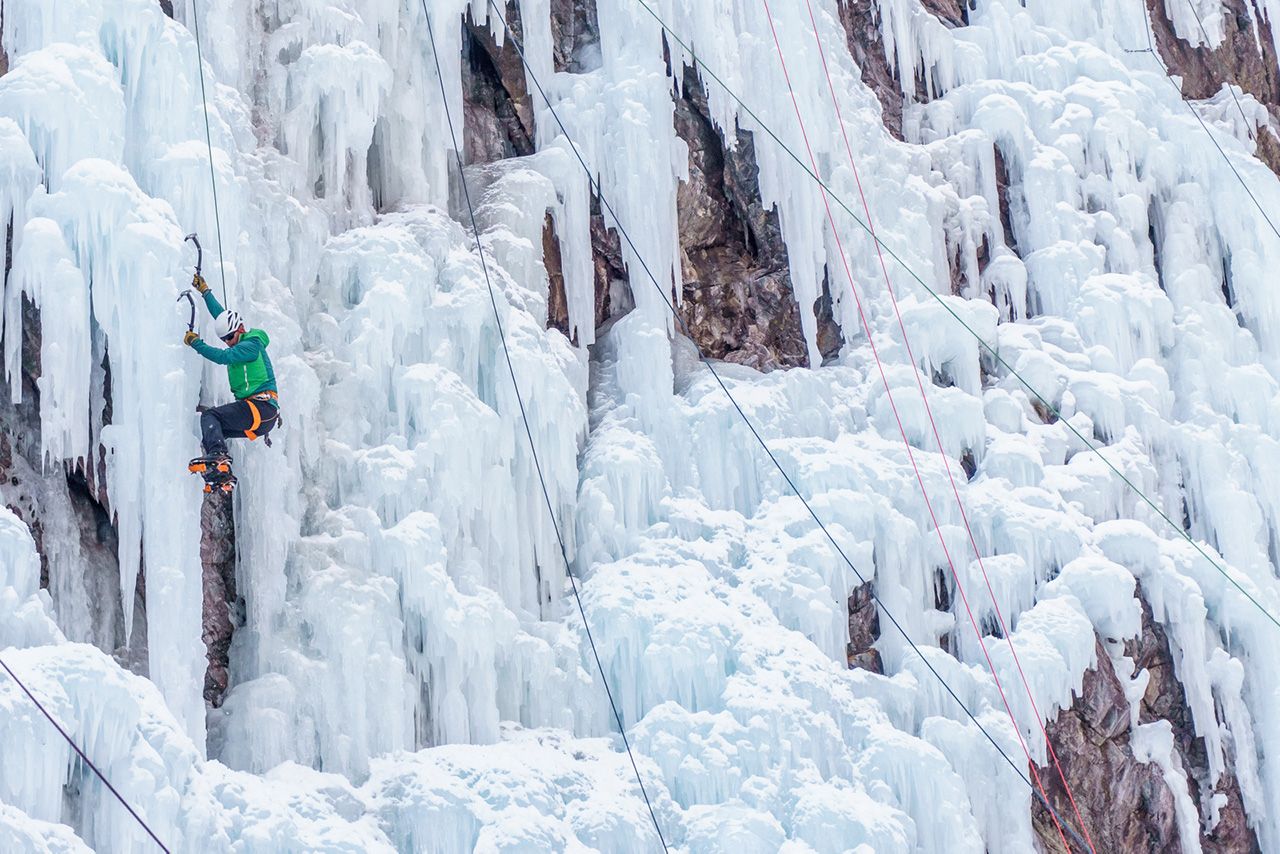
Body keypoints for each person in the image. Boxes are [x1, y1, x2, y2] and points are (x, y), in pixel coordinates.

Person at [183, 274, 280, 467]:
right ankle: (220, 474)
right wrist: (205, 292)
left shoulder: (251, 345)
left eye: (229, 337)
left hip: (261, 408)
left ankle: (219, 457)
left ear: (240, 329)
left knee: (210, 417)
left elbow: (222, 357)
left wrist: (195, 343)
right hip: (260, 415)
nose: (228, 342)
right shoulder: (239, 343)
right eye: (224, 339)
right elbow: (221, 316)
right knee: (213, 432)